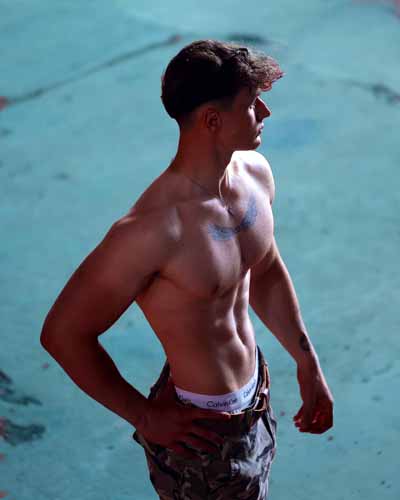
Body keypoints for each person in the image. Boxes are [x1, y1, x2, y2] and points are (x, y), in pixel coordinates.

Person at [40, 39, 334, 499]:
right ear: (212, 120)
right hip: (201, 435)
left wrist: (306, 360)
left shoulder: (254, 175)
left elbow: (266, 269)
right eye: (250, 104)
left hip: (256, 399)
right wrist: (144, 415)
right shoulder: (151, 231)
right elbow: (62, 334)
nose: (265, 112)